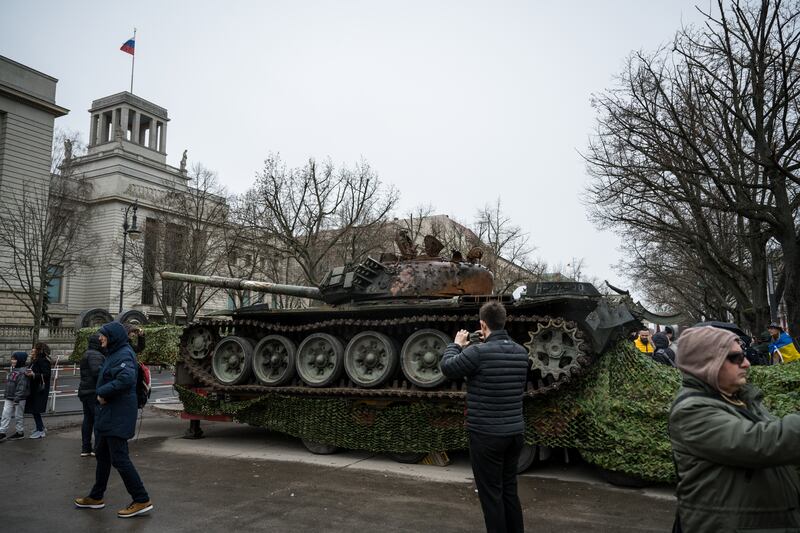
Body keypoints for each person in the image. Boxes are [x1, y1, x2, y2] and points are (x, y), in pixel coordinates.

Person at [669, 326, 800, 531]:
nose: (747, 363)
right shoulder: (691, 411)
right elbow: (761, 443)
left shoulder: (739, 397)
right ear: (707, 363)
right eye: (735, 358)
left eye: (744, 355)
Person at [441, 301, 528, 533]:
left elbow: (447, 368)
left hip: (487, 436)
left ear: (482, 324)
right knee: (509, 490)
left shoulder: (476, 353)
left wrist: (457, 345)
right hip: (514, 433)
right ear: (504, 321)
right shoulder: (521, 352)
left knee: (491, 496)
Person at [74, 321, 153, 518]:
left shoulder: (123, 354)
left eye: (103, 334)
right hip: (109, 414)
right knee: (102, 455)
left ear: (113, 337)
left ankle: (141, 499)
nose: (100, 337)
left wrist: (102, 392)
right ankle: (96, 496)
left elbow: (126, 380)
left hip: (117, 414)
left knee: (119, 458)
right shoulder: (114, 352)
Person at [77, 334, 105, 457]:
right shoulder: (95, 355)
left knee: (88, 420)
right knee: (97, 420)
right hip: (93, 392)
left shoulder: (87, 353)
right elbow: (97, 372)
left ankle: (85, 448)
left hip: (85, 391)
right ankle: (96, 448)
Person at [0, 351, 30, 441]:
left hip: (19, 398)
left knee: (18, 416)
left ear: (20, 360)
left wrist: (16, 399)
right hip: (9, 397)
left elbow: (22, 387)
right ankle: (2, 432)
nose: (12, 361)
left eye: (14, 359)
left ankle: (20, 432)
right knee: (5, 414)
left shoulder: (23, 372)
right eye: (12, 359)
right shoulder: (14, 370)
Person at [24, 342, 51, 439]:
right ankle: (40, 427)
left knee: (36, 409)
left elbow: (47, 374)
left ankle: (40, 431)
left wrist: (34, 375)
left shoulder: (43, 361)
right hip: (34, 388)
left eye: (34, 348)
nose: (32, 349)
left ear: (39, 350)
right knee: (34, 410)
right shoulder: (35, 360)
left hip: (39, 389)